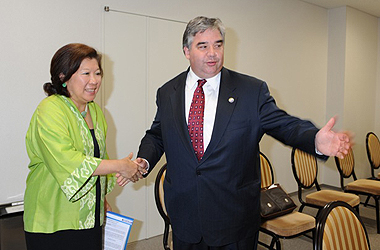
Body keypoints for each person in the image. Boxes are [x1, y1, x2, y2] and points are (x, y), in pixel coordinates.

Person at [135, 16, 352, 250]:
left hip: (234, 220)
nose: (213, 53)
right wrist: (144, 159)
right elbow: (158, 133)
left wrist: (314, 139)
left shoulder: (251, 91)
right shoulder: (168, 92)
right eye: (203, 46)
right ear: (186, 51)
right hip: (185, 216)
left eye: (218, 44)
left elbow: (284, 125)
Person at [24, 43, 144, 250]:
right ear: (63, 77)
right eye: (86, 73)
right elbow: (69, 161)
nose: (94, 80)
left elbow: (99, 159)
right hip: (53, 220)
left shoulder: (95, 111)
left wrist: (126, 170)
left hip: (90, 217)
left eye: (97, 73)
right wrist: (119, 166)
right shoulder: (50, 110)